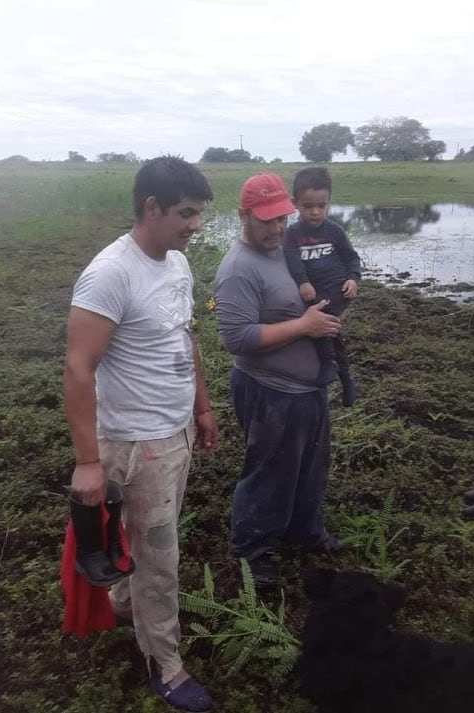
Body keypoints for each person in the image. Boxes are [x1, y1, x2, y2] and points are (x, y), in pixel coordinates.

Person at [63, 156, 217, 713]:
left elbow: (184, 336)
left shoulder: (176, 264)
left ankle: (127, 599)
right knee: (160, 559)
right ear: (151, 208)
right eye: (186, 213)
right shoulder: (111, 273)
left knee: (158, 540)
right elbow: (79, 367)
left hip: (173, 431)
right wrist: (87, 463)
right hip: (134, 440)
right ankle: (165, 665)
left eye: (197, 214)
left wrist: (201, 406)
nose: (194, 225)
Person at [213, 173, 343, 587]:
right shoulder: (238, 268)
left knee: (310, 467)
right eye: (266, 220)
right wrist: (304, 327)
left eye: (282, 218)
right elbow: (237, 339)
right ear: (243, 215)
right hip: (269, 391)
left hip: (308, 390)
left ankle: (305, 531)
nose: (277, 228)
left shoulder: (287, 250)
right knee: (270, 472)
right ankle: (253, 550)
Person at [283, 167, 361, 407]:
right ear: (295, 203)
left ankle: (329, 364)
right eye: (308, 206)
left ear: (328, 203)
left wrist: (353, 279)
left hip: (337, 292)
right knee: (333, 333)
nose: (315, 212)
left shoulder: (334, 230)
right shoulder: (292, 234)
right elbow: (292, 261)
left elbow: (351, 258)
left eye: (321, 205)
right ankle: (346, 378)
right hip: (314, 293)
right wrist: (303, 282)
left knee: (323, 324)